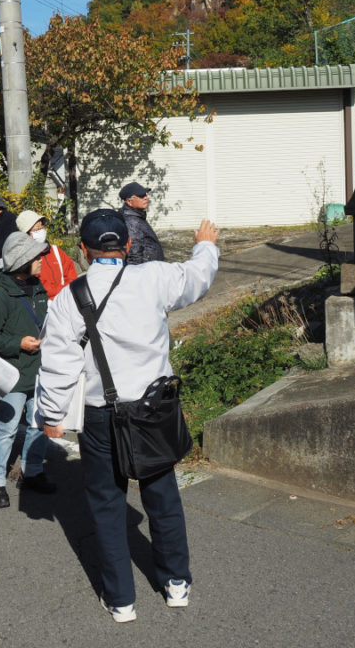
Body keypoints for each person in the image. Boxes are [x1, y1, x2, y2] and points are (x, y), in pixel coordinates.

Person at [37, 209, 220, 622]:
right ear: (129, 245)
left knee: (106, 503)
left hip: (101, 415)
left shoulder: (69, 296)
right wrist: (205, 242)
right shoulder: (155, 277)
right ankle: (176, 583)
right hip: (153, 410)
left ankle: (121, 601)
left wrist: (51, 415)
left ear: (82, 250)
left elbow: (59, 365)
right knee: (162, 494)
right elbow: (198, 276)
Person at [0, 232, 55, 508]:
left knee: (39, 424)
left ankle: (32, 471)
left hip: (39, 369)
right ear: (21, 261)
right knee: (7, 428)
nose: (41, 261)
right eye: (36, 257)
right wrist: (19, 343)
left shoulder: (37, 287)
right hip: (12, 372)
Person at [16, 209, 78, 299]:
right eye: (36, 229)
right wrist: (63, 290)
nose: (41, 231)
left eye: (42, 227)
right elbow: (38, 287)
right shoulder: (25, 259)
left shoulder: (56, 251)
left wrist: (65, 291)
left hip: (64, 300)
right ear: (26, 234)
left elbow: (72, 276)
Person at [119, 181, 165, 264]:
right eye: (141, 196)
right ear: (129, 201)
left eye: (146, 195)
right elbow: (134, 255)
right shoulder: (132, 222)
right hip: (146, 271)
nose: (146, 198)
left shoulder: (136, 216)